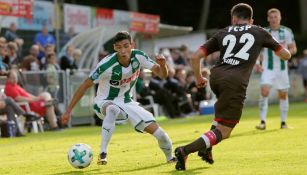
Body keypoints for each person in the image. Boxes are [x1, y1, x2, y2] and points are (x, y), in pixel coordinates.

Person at [174, 3, 291, 171]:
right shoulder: (259, 31)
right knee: (225, 130)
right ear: (251, 20)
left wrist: (199, 78)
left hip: (216, 77)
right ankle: (184, 151)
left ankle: (206, 150)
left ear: (233, 18)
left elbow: (195, 56)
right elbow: (285, 55)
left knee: (220, 118)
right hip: (235, 82)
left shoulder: (223, 32)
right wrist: (283, 50)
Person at [61, 31, 176, 165]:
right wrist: (68, 111)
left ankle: (170, 159)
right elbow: (84, 85)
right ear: (115, 48)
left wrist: (162, 65)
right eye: (119, 47)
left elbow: (162, 75)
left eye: (126, 46)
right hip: (104, 102)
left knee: (161, 135)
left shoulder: (139, 56)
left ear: (132, 45)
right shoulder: (106, 65)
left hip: (128, 102)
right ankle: (103, 153)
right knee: (113, 109)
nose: (123, 50)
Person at [255, 8, 297, 130]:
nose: (273, 19)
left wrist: (287, 51)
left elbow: (293, 49)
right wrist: (257, 62)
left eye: (276, 17)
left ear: (280, 18)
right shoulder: (264, 32)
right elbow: (258, 50)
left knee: (283, 94)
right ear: (268, 19)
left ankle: (283, 123)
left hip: (282, 69)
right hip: (267, 68)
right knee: (264, 91)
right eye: (271, 17)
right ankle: (262, 121)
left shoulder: (287, 32)